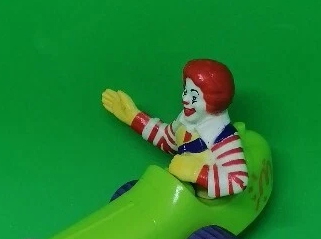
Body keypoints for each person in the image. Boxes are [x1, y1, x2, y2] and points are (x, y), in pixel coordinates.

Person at [102, 59, 248, 198]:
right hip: (177, 193)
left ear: (213, 101)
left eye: (194, 96)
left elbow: (238, 181)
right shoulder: (184, 123)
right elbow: (167, 140)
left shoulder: (223, 136)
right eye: (186, 91)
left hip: (203, 202)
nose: (185, 99)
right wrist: (134, 117)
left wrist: (196, 172)